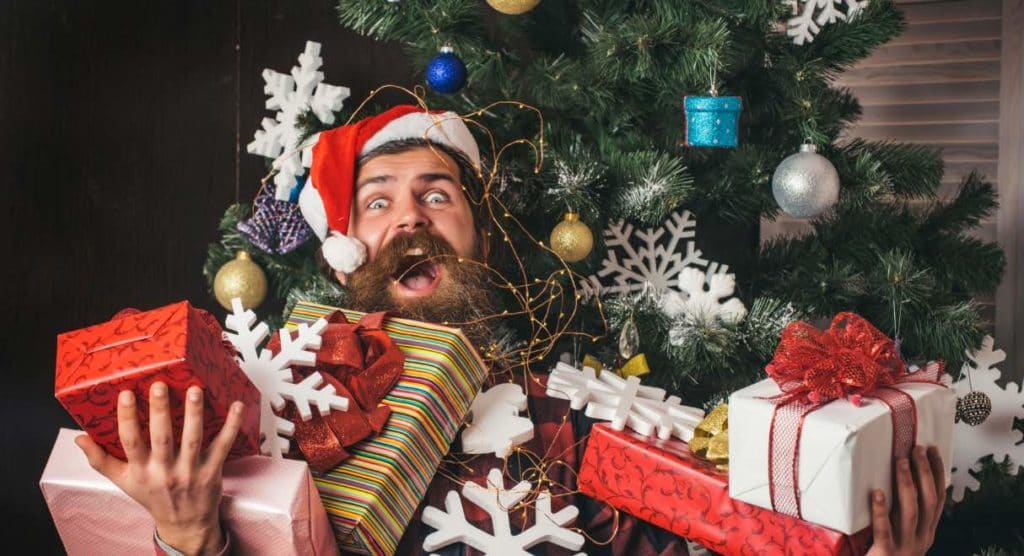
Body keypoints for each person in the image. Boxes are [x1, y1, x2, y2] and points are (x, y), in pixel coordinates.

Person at [74, 105, 947, 556]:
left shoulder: (577, 432)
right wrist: (189, 540)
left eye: (436, 195)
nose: (408, 217)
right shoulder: (274, 425)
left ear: (479, 240)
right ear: (343, 255)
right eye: (376, 203)